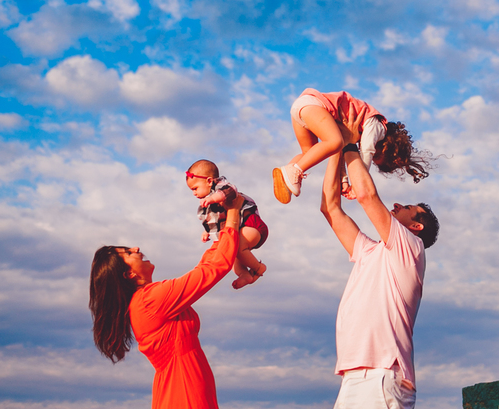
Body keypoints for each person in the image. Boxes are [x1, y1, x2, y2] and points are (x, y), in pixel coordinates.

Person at [319, 108, 440, 409]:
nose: (397, 204)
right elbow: (330, 208)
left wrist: (351, 143)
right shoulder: (369, 251)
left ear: (416, 227)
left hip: (383, 374)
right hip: (355, 374)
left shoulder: (411, 247)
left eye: (408, 208)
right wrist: (336, 147)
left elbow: (366, 196)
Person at [88, 194, 245, 409]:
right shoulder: (149, 300)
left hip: (180, 386)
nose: (136, 249)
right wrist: (234, 213)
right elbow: (214, 269)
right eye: (128, 253)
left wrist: (222, 233)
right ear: (129, 274)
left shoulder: (143, 303)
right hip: (184, 389)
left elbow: (206, 267)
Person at [274, 87, 431, 204]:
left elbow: (343, 154)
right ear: (387, 147)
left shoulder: (358, 133)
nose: (372, 155)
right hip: (314, 105)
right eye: (377, 155)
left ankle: (286, 174)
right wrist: (358, 183)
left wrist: (344, 180)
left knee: (309, 152)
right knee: (334, 142)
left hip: (303, 108)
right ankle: (295, 171)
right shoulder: (377, 125)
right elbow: (367, 151)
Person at [185, 159, 268, 289]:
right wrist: (207, 231)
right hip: (239, 229)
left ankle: (258, 267)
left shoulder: (221, 188)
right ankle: (244, 274)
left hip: (250, 224)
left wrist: (213, 198)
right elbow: (216, 220)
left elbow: (231, 192)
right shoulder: (209, 204)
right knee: (230, 251)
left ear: (209, 181)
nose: (194, 193)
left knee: (238, 247)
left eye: (195, 188)